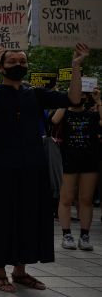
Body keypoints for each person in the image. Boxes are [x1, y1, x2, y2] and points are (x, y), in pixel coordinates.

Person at [0, 44, 89, 293]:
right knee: (2, 217)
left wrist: (76, 67)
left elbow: (74, 99)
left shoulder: (35, 94)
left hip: (32, 166)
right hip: (2, 167)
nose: (19, 65)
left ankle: (21, 270)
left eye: (22, 62)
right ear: (2, 67)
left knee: (28, 216)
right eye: (12, 62)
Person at [53, 88, 101, 251]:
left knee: (86, 199)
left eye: (82, 93)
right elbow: (54, 120)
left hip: (89, 161)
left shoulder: (92, 115)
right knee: (66, 198)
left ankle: (84, 235)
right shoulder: (64, 113)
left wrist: (98, 100)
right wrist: (67, 98)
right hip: (68, 161)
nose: (78, 96)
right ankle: (67, 234)